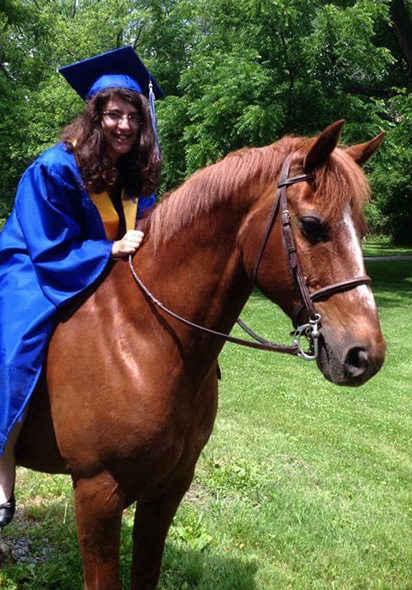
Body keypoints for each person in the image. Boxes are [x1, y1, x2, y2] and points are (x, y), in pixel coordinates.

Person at [0, 46, 163, 527]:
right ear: (95, 116)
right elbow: (48, 246)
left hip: (100, 266)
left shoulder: (134, 174)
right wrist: (108, 252)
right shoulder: (54, 168)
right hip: (35, 267)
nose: (125, 126)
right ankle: (3, 469)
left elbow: (145, 230)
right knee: (15, 349)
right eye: (115, 114)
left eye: (135, 116)